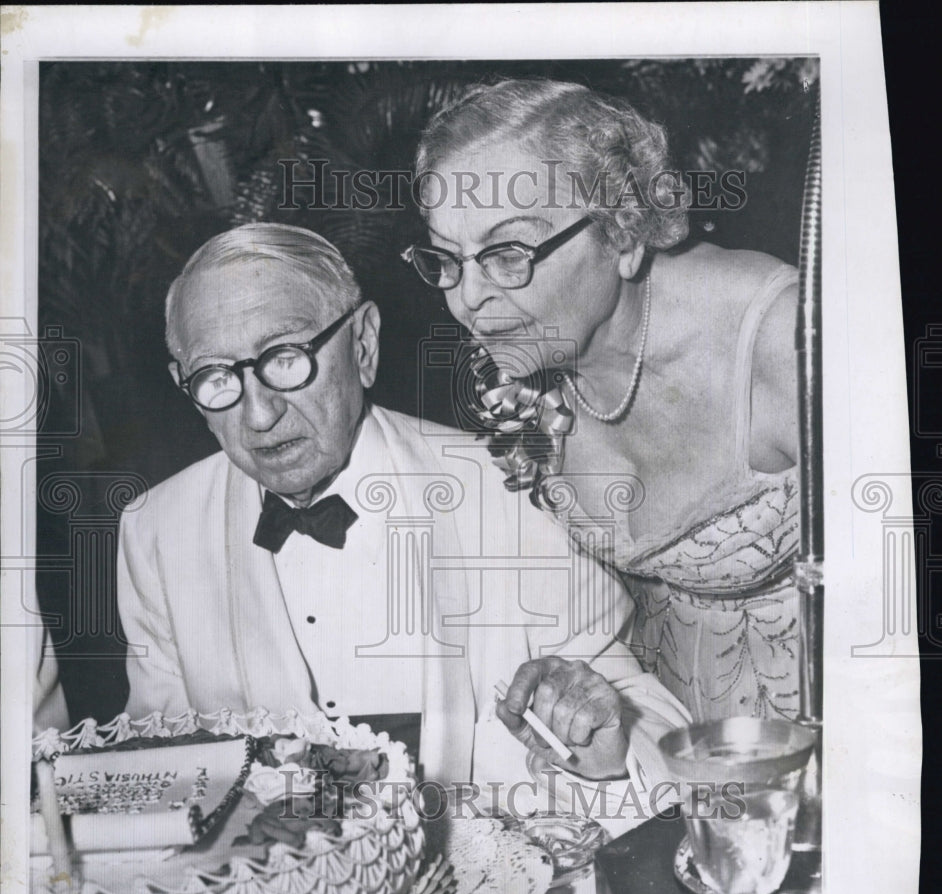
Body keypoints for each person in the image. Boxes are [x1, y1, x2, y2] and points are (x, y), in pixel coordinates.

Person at [110, 222, 690, 826]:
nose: (258, 415)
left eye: (285, 358)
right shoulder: (158, 530)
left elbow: (645, 728)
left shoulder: (512, 490)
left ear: (363, 345)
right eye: (216, 378)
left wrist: (603, 757)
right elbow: (165, 767)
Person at [405, 78, 802, 724]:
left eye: (508, 253)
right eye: (448, 259)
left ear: (623, 232)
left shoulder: (780, 341)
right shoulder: (518, 363)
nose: (468, 299)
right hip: (654, 733)